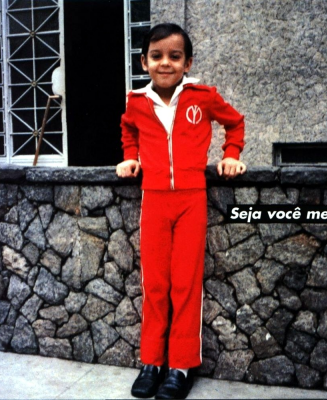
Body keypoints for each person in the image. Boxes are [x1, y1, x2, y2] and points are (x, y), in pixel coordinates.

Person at [116, 23, 246, 399]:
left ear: (187, 63)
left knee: (185, 284)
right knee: (155, 284)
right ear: (144, 62)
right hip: (154, 199)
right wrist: (130, 157)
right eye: (156, 56)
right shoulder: (136, 102)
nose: (165, 63)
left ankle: (181, 366)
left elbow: (235, 123)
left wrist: (231, 155)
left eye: (175, 56)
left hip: (191, 199)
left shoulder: (203, 97)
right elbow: (128, 131)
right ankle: (152, 362)